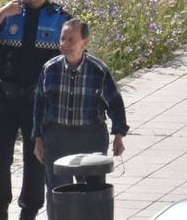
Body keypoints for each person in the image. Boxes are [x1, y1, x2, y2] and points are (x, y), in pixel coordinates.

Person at [0, 0, 69, 220]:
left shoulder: (60, 19)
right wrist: (2, 12)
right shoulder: (9, 13)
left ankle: (29, 211)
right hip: (3, 100)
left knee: (35, 160)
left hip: (38, 104)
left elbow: (75, 57)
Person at [32, 20, 127, 197]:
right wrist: (38, 139)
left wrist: (119, 135)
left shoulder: (98, 70)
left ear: (85, 43)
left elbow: (115, 104)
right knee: (58, 194)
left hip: (90, 138)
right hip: (57, 139)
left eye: (71, 40)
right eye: (63, 39)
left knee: (91, 195)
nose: (65, 44)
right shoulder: (50, 69)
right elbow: (40, 107)